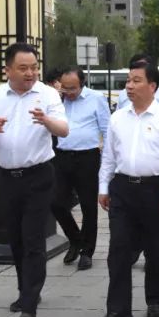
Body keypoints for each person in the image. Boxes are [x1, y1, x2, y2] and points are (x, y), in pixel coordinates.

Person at [0, 43, 69, 317]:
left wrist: (46, 120)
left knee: (34, 239)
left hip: (39, 175)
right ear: (8, 70)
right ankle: (25, 290)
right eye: (23, 68)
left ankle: (29, 303)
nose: (30, 73)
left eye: (34, 67)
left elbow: (64, 129)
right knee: (16, 239)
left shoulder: (48, 93)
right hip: (6, 178)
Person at [94, 59, 159, 317]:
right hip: (122, 189)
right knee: (118, 250)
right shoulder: (117, 117)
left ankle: (155, 300)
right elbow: (109, 156)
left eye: (136, 81)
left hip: (155, 189)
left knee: (156, 248)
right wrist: (103, 187)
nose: (130, 86)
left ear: (152, 86)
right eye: (128, 81)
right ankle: (118, 309)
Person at [52, 67, 110, 270]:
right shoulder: (57, 100)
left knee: (88, 206)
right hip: (62, 156)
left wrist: (108, 162)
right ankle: (75, 239)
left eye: (73, 88)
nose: (69, 92)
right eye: (65, 88)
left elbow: (106, 129)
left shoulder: (96, 98)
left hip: (88, 157)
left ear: (82, 84)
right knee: (56, 202)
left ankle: (87, 251)